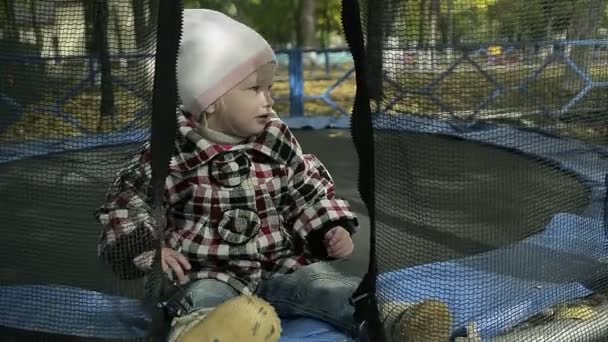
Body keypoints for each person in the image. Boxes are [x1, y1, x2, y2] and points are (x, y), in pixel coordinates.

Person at [95, 8, 361, 340]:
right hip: (204, 272)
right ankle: (207, 333)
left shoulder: (275, 140)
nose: (269, 99)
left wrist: (328, 227)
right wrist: (147, 248)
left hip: (280, 266)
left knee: (325, 284)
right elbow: (127, 202)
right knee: (202, 301)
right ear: (211, 100)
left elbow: (305, 187)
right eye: (255, 89)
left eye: (270, 87)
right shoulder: (169, 151)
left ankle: (394, 320)